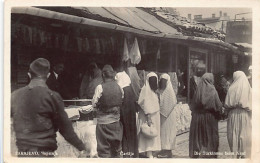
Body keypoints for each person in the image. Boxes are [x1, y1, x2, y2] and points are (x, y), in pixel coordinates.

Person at [11, 58, 87, 157]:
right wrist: (82, 147)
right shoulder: (53, 96)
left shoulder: (15, 95)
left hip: (23, 153)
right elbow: (66, 129)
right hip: (45, 153)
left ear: (29, 75)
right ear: (48, 75)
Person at [92, 65, 123, 158]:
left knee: (104, 150)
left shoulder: (100, 87)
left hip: (103, 124)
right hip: (116, 123)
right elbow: (121, 100)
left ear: (103, 75)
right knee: (117, 149)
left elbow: (94, 103)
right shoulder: (119, 87)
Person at [189, 73, 222, 158]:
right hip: (210, 118)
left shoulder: (198, 90)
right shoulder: (213, 90)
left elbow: (193, 106)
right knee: (209, 137)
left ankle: (198, 153)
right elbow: (218, 106)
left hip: (198, 118)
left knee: (199, 138)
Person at [224, 71, 252, 158]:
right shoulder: (248, 88)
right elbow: (251, 104)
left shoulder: (231, 88)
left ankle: (235, 156)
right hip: (244, 114)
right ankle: (243, 156)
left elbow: (226, 105)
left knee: (233, 135)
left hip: (232, 114)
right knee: (244, 135)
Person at [115, 71, 139, 158]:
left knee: (125, 133)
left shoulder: (123, 89)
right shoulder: (130, 88)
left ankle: (127, 154)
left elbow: (122, 104)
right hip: (131, 113)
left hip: (125, 114)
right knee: (132, 132)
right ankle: (133, 154)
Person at [137, 72, 161, 158]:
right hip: (148, 116)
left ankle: (150, 152)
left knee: (152, 133)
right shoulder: (145, 90)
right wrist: (148, 115)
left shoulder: (153, 91)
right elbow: (144, 103)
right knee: (147, 133)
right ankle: (148, 153)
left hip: (153, 116)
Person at [158, 73, 177, 158]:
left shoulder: (169, 90)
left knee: (169, 132)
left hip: (168, 115)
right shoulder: (162, 90)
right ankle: (164, 149)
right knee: (164, 132)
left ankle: (168, 151)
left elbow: (172, 102)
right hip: (164, 115)